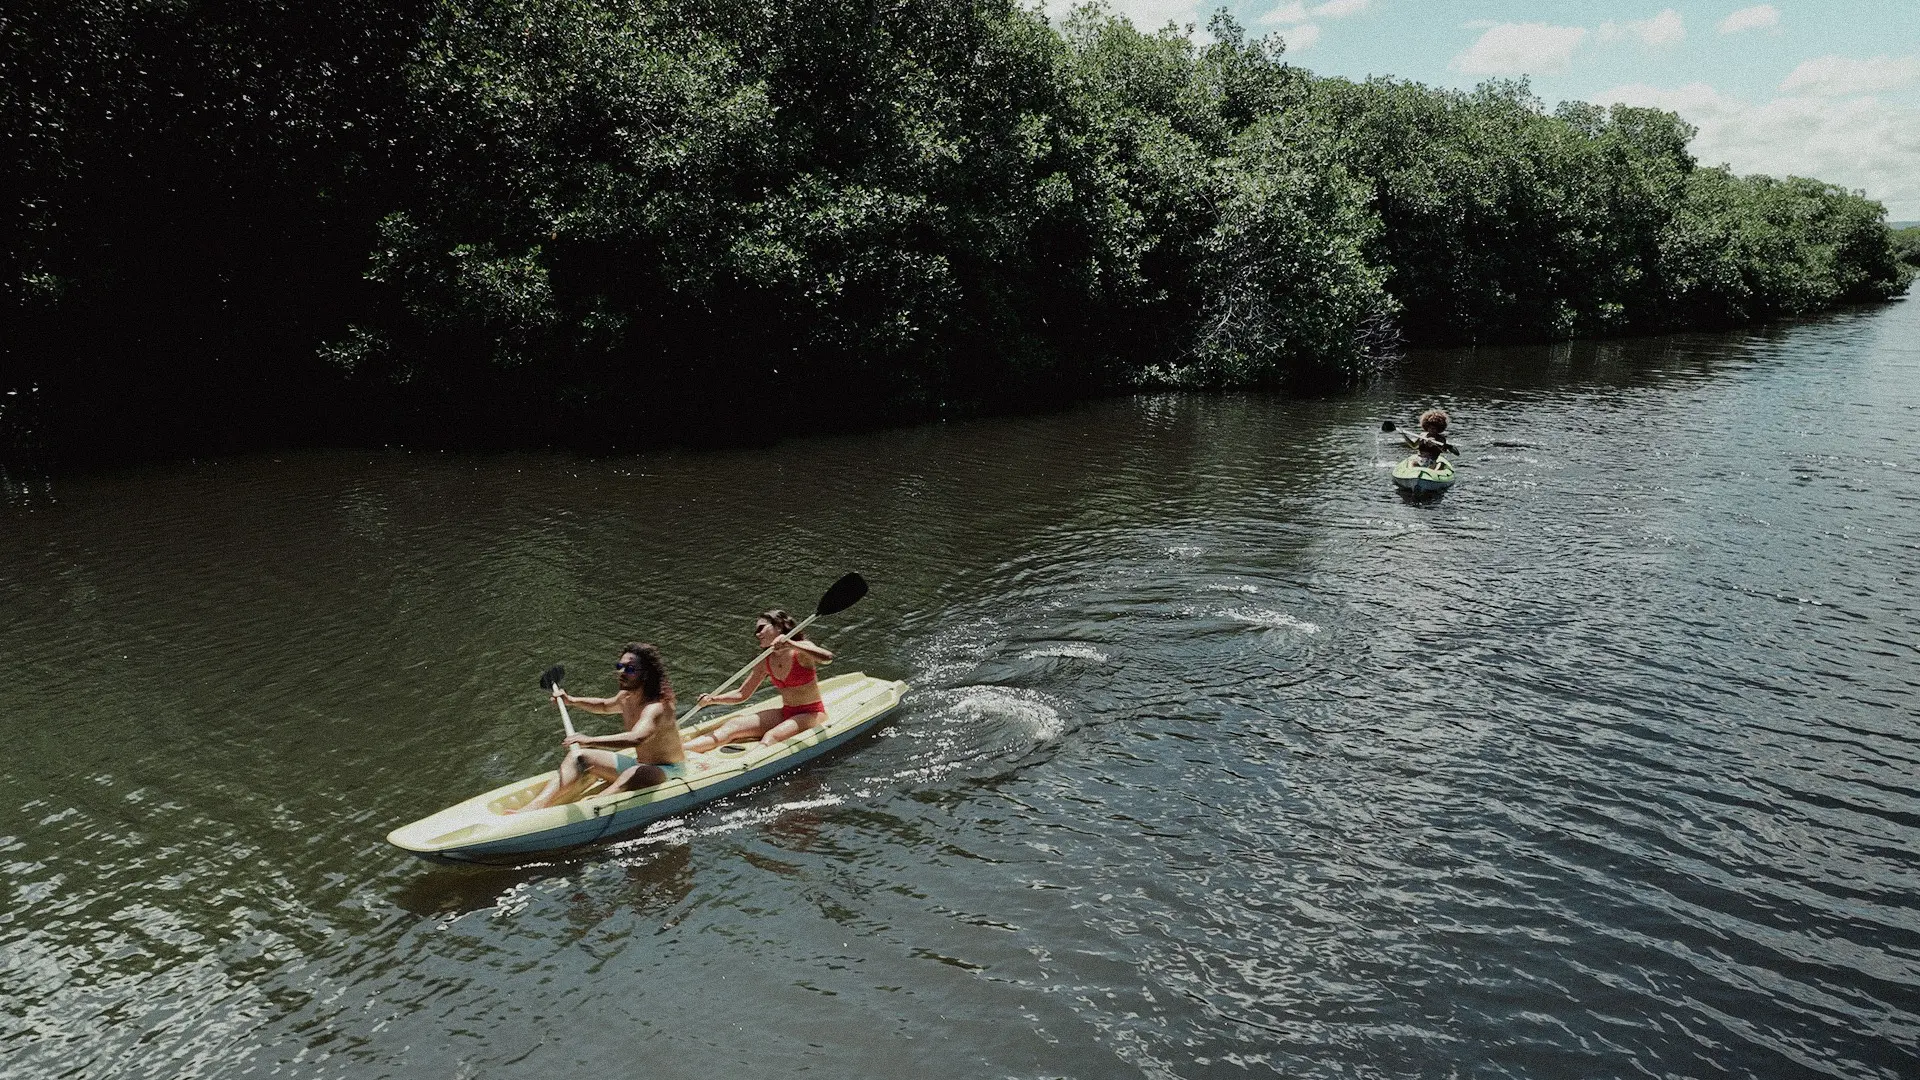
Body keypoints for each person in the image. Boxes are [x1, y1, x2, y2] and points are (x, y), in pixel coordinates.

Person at [510, 643, 686, 813]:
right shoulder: (625, 696)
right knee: (578, 756)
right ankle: (537, 806)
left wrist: (589, 740)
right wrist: (571, 701)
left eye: (630, 669)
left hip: (669, 771)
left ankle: (595, 806)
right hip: (640, 764)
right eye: (620, 666)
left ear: (646, 674)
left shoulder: (656, 707)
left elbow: (637, 738)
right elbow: (603, 705)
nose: (622, 673)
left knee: (635, 772)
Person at [682, 610, 835, 752]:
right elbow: (742, 694)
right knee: (732, 725)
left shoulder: (801, 650)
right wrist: (713, 699)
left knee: (771, 736)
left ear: (779, 627)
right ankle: (680, 751)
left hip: (812, 713)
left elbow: (827, 658)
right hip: (786, 713)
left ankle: (740, 771)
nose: (757, 634)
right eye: (756, 631)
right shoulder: (765, 660)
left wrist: (790, 644)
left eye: (761, 628)